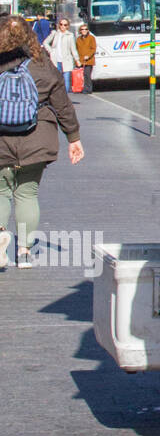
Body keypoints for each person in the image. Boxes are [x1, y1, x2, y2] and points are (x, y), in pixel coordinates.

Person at [0, 15, 84, 268]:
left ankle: (0, 237)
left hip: (1, 139)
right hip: (37, 135)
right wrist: (74, 137)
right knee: (27, 192)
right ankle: (24, 252)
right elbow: (62, 104)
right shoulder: (43, 63)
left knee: (2, 191)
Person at [44, 17, 79, 92]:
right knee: (57, 80)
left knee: (66, 80)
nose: (63, 26)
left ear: (68, 26)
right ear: (59, 25)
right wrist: (51, 51)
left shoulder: (70, 35)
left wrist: (77, 59)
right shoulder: (55, 33)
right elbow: (45, 43)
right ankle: (59, 96)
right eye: (61, 24)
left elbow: (73, 49)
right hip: (56, 60)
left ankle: (65, 97)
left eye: (65, 25)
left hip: (66, 60)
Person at [76, 24, 97, 94]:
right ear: (80, 31)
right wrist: (76, 60)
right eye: (82, 29)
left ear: (88, 30)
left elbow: (93, 48)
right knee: (81, 75)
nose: (84, 31)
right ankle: (81, 88)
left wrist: (88, 55)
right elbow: (76, 49)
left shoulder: (91, 38)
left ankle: (88, 89)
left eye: (85, 29)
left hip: (89, 60)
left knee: (87, 74)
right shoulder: (78, 39)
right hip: (81, 60)